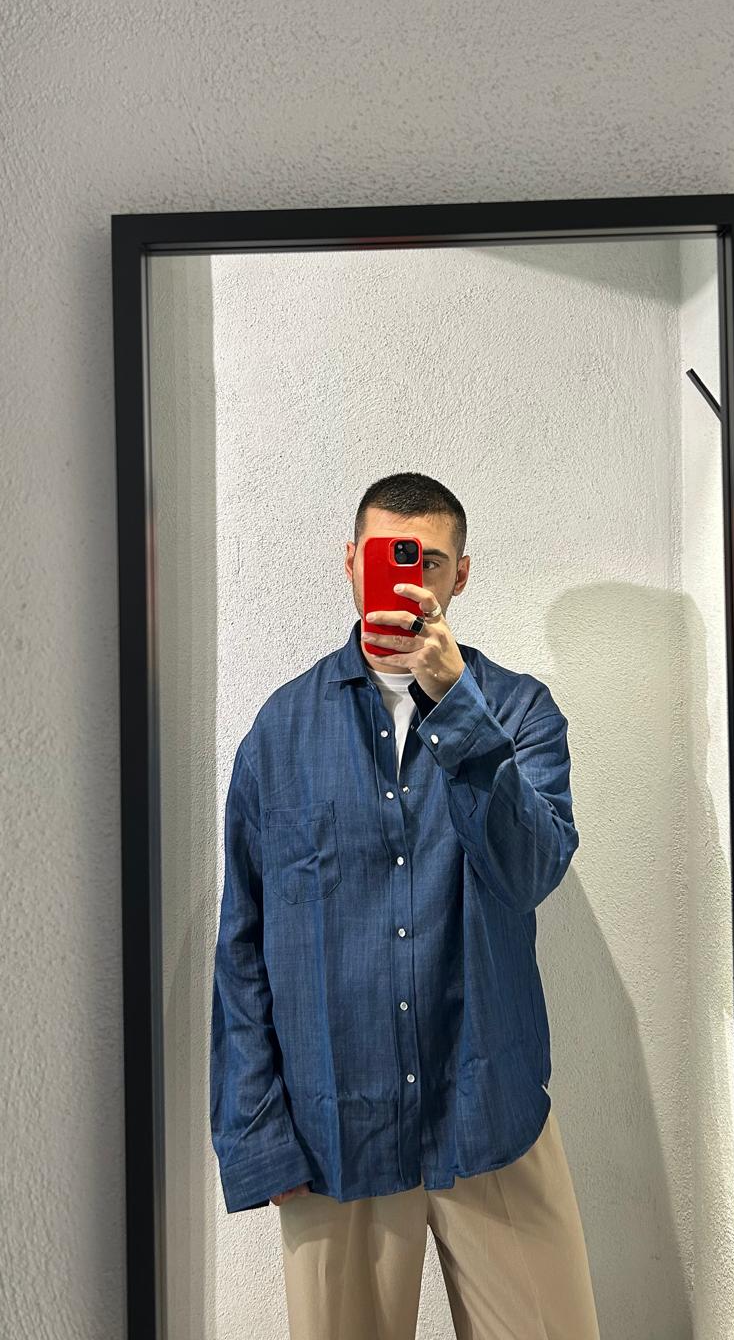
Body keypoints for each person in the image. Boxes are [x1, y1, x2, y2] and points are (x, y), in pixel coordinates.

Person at [210, 472, 601, 1339]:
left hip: (489, 1107)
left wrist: (457, 709)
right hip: (332, 1124)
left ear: (461, 575)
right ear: (352, 562)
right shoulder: (280, 732)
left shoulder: (518, 713)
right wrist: (256, 1132)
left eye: (429, 561)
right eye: (392, 556)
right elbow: (242, 946)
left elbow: (530, 871)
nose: (410, 577)